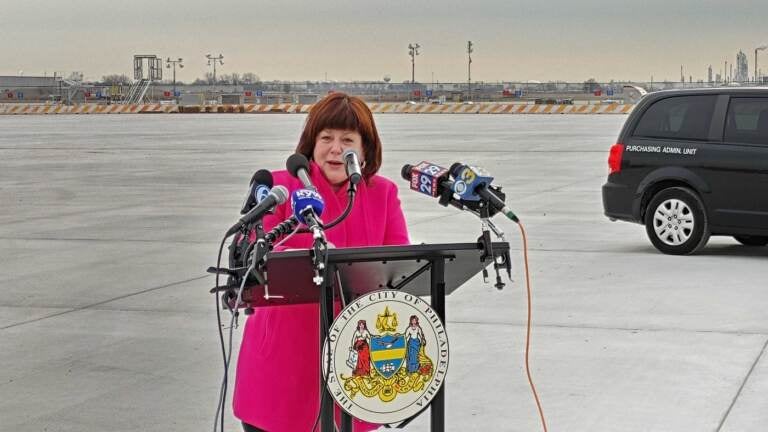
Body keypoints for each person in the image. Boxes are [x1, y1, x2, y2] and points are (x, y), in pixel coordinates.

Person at [233, 92, 410, 432]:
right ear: (310, 144)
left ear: (365, 149)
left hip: (352, 358)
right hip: (283, 358)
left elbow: (399, 264)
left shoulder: (382, 192)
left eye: (347, 140)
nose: (334, 148)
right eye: (326, 138)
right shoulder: (280, 187)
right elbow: (251, 252)